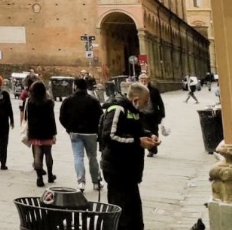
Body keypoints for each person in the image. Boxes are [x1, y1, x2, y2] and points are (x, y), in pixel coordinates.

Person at [101, 82, 158, 230]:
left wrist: (149, 135)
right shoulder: (117, 109)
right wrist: (138, 142)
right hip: (116, 168)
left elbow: (137, 130)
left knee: (134, 211)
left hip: (130, 170)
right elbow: (109, 136)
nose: (147, 105)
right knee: (122, 212)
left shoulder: (134, 111)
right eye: (145, 102)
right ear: (136, 99)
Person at [60, 77, 103, 190]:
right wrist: (97, 130)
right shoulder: (93, 100)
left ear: (75, 86)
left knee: (78, 157)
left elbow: (62, 117)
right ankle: (96, 182)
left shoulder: (68, 100)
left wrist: (68, 128)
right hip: (91, 133)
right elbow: (101, 116)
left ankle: (81, 182)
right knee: (92, 157)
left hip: (75, 132)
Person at [25, 80, 58, 188]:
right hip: (47, 131)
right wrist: (54, 133)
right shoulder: (48, 102)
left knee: (37, 155)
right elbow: (52, 118)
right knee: (48, 154)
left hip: (35, 132)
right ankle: (50, 175)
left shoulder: (30, 102)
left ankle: (39, 178)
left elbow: (27, 118)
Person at [137, 74, 165, 156]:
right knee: (146, 132)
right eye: (141, 80)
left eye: (145, 80)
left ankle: (154, 147)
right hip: (142, 115)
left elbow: (160, 103)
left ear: (148, 80)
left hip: (153, 115)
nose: (143, 81)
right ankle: (151, 149)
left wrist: (162, 114)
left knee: (154, 131)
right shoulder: (137, 90)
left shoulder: (154, 90)